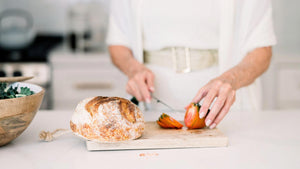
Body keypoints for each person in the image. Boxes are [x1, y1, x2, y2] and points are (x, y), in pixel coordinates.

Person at [106, 0, 276, 129]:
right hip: (149, 108)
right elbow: (118, 43)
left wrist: (230, 80)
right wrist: (134, 69)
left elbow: (262, 51)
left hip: (229, 116)